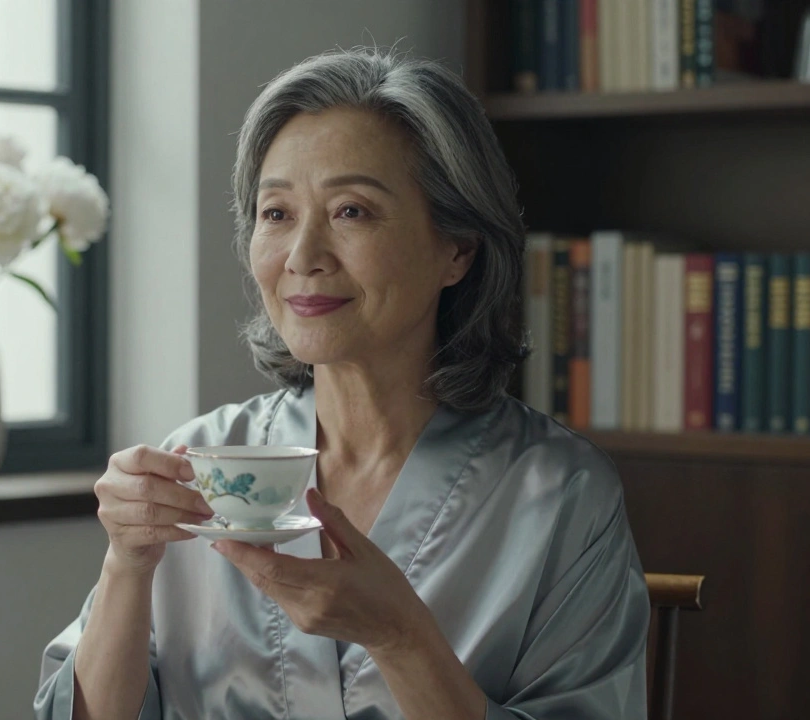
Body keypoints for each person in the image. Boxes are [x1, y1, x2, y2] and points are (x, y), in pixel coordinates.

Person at [35, 47, 649, 720]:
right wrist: (128, 563)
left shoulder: (558, 493)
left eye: (352, 211)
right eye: (277, 214)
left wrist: (400, 636)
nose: (303, 257)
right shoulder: (200, 461)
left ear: (458, 248)